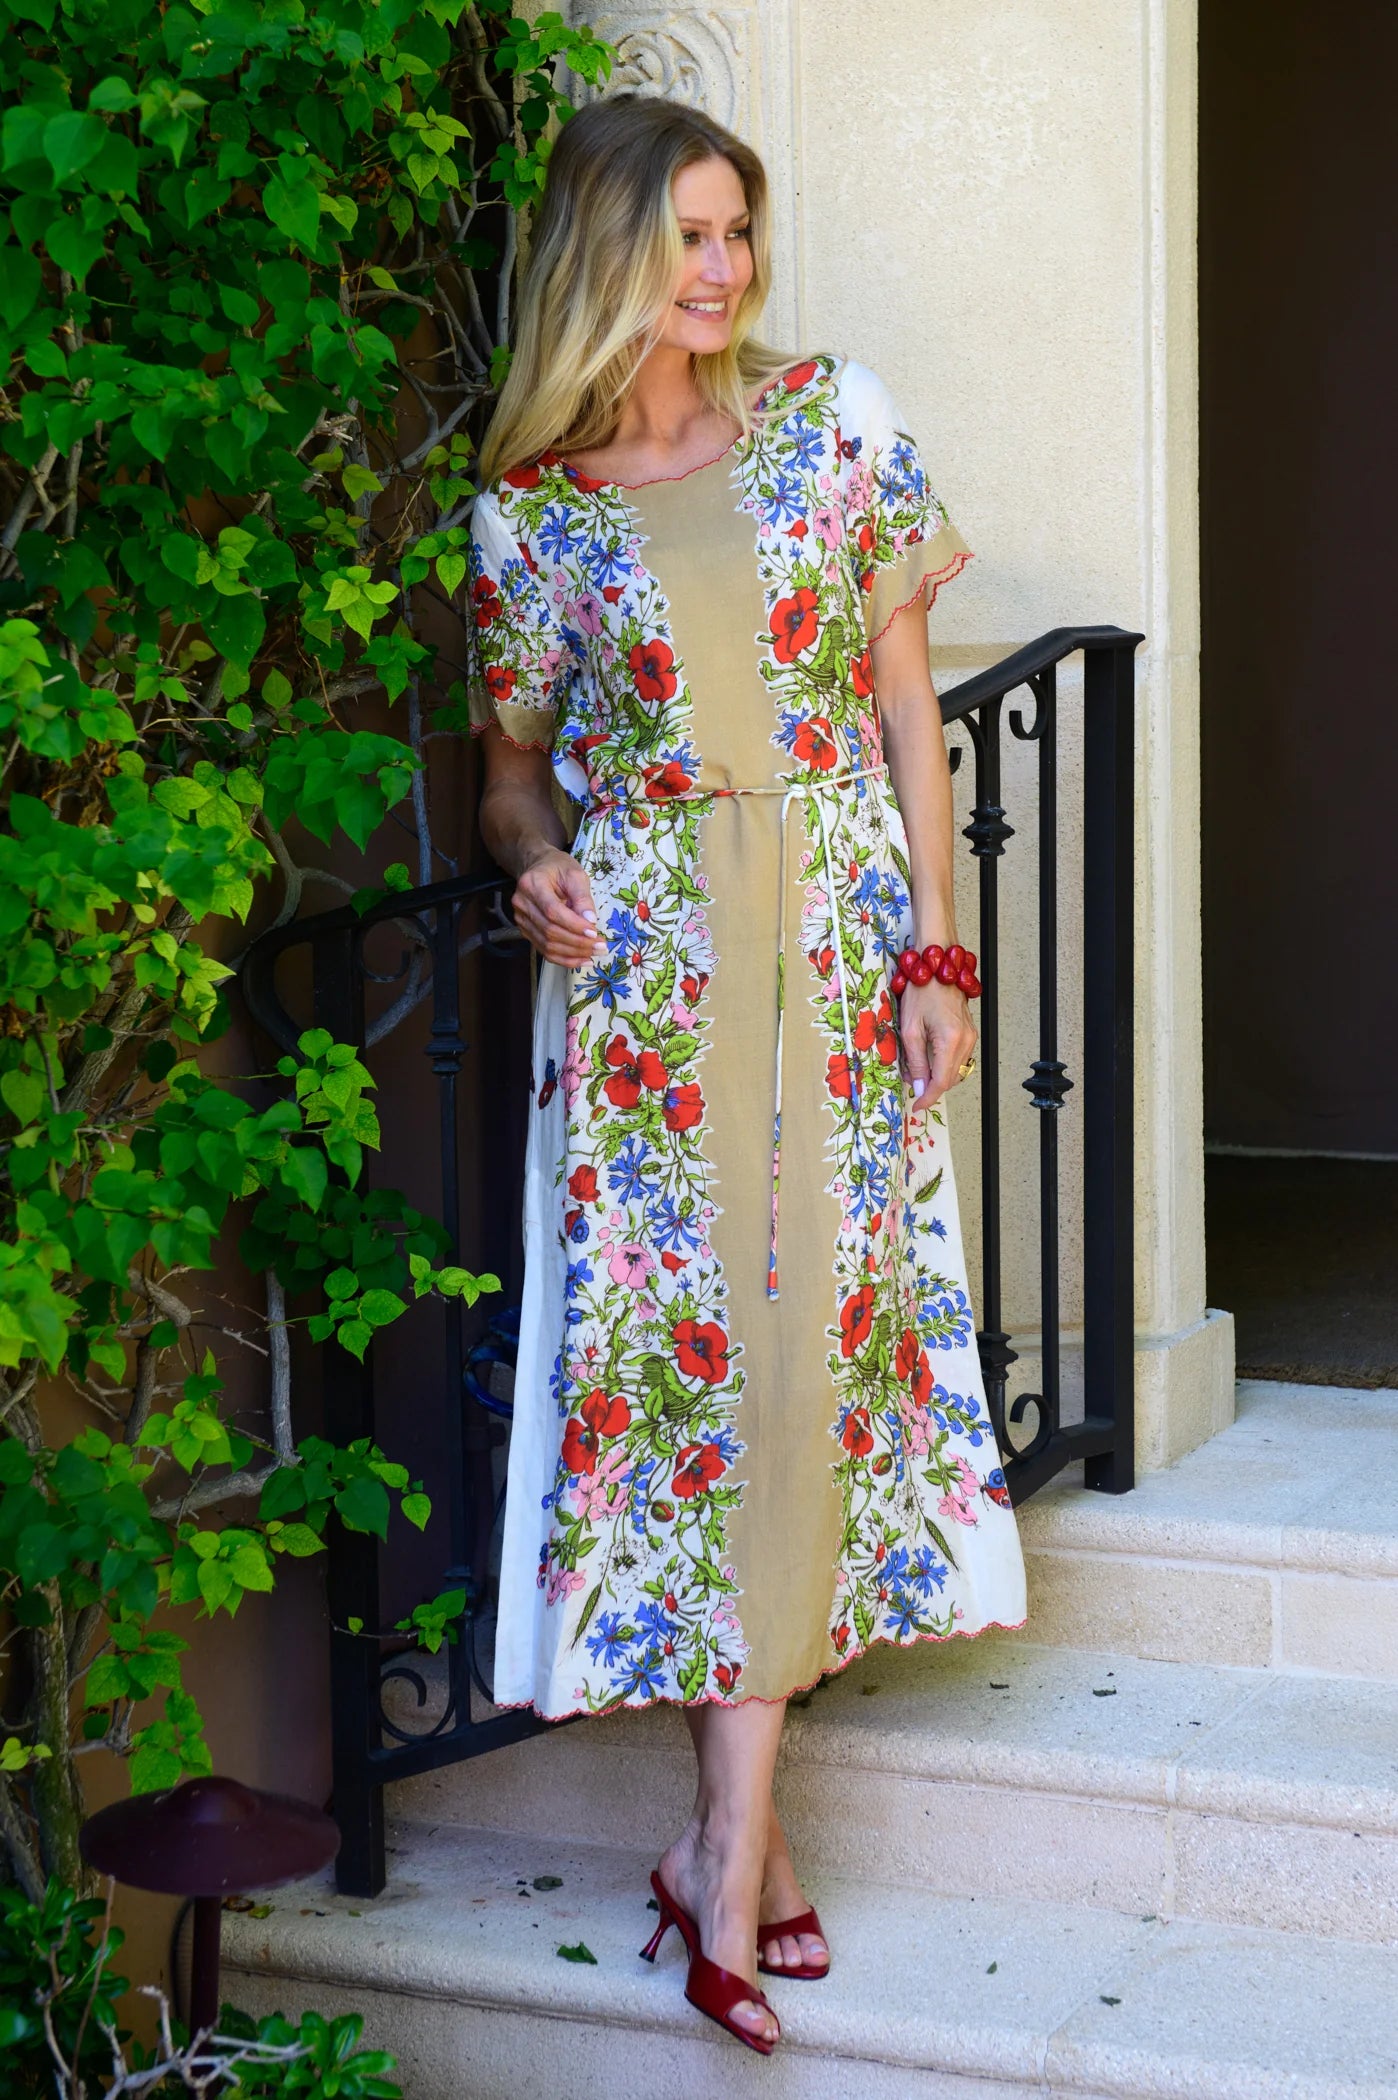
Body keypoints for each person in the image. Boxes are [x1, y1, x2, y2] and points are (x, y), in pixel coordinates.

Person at [467, 90, 1027, 2056]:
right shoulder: (533, 509)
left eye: (737, 235)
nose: (725, 270)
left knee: (803, 1375)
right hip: (644, 989)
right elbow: (510, 768)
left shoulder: (830, 423)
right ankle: (739, 1855)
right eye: (689, 237)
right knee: (699, 1392)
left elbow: (904, 709)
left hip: (836, 945)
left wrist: (937, 951)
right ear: (611, 253)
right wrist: (535, 864)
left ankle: (723, 1851)